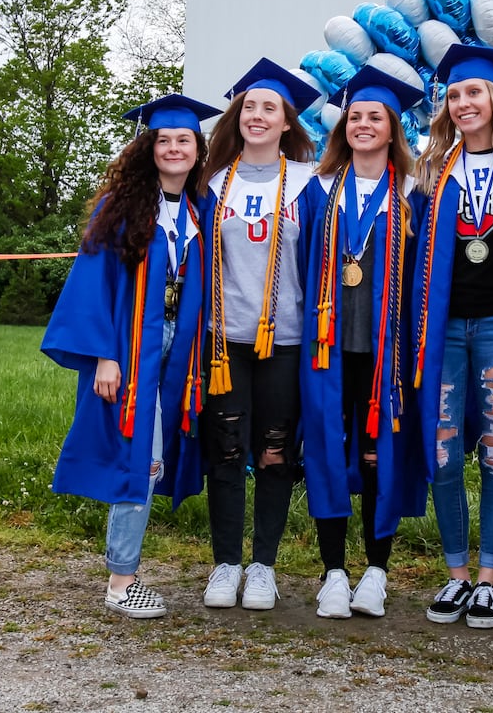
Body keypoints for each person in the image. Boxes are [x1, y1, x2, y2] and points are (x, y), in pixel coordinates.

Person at [43, 93, 220, 618]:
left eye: (183, 140)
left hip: (179, 349)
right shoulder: (120, 209)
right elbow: (93, 283)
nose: (173, 148)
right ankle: (122, 581)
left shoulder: (197, 208)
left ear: (196, 149)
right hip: (131, 349)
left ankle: (125, 572)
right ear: (148, 149)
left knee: (151, 455)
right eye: (163, 140)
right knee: (140, 458)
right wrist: (104, 356)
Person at [411, 43, 493, 630]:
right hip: (443, 331)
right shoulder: (431, 175)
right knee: (441, 450)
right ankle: (456, 573)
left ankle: (488, 578)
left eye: (475, 93)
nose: (465, 103)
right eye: (455, 94)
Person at [298, 64, 427, 619]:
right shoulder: (318, 189)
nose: (364, 124)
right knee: (327, 450)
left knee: (380, 457)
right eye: (355, 116)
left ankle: (376, 570)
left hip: (386, 352)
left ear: (393, 128)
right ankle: (332, 572)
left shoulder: (414, 193)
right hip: (327, 347)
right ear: (342, 126)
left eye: (376, 117)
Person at [196, 59, 320, 611]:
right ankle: (225, 563)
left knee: (274, 452)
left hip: (285, 341)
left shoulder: (310, 182)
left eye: (269, 107)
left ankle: (263, 566)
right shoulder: (212, 184)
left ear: (287, 122)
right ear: (238, 116)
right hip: (224, 342)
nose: (257, 115)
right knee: (224, 451)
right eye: (249, 106)